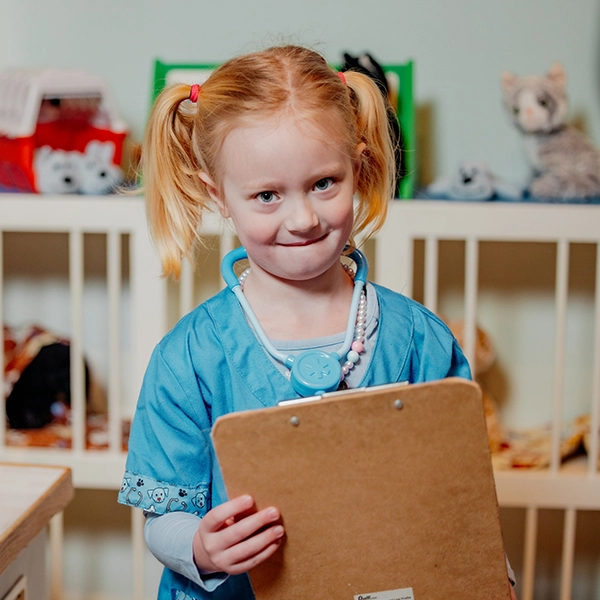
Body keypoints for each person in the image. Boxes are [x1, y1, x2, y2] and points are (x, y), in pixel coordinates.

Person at [118, 45, 516, 600]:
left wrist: (492, 578)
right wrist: (202, 548)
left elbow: (461, 499)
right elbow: (163, 519)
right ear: (220, 196)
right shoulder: (189, 357)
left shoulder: (420, 339)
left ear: (360, 165)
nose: (302, 218)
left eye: (324, 183)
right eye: (266, 195)